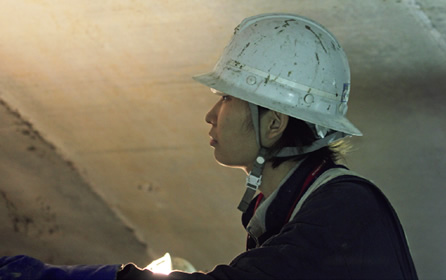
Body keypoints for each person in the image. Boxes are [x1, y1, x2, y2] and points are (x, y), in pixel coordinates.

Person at [0, 13, 417, 280]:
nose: (211, 114)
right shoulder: (285, 210)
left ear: (274, 123)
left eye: (228, 98)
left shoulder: (345, 208)